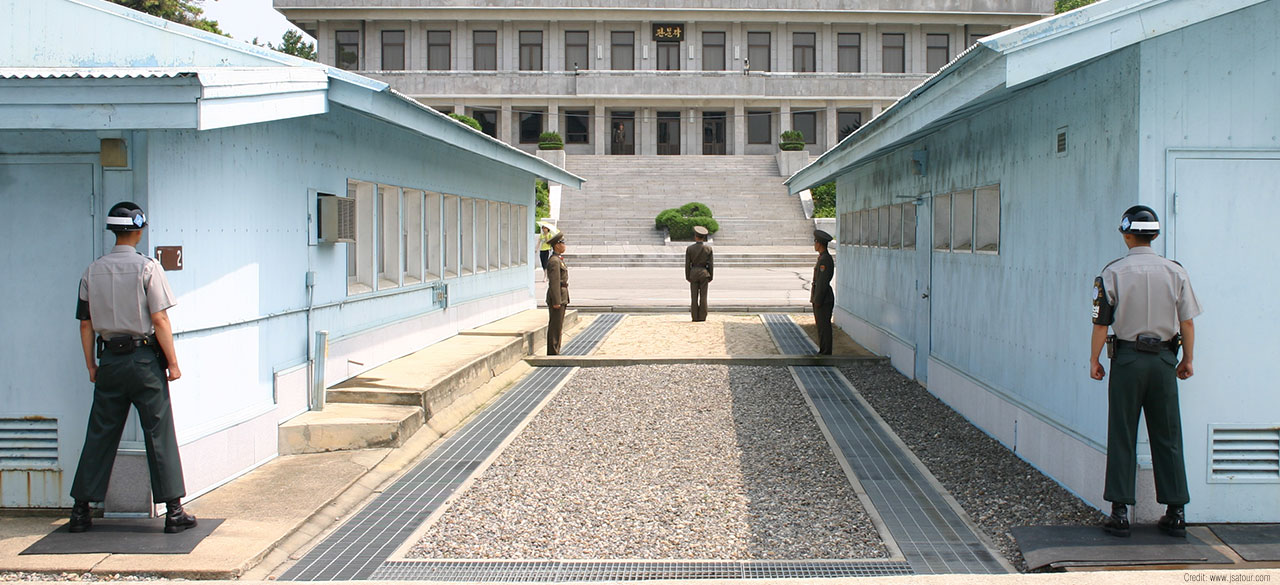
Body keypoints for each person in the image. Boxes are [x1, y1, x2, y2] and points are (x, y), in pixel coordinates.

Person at [70, 202, 196, 534]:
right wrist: (173, 363)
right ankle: (173, 512)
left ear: (113, 231)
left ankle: (81, 511)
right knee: (158, 431)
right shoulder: (148, 268)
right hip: (143, 360)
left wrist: (92, 365)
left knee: (100, 432)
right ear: (139, 230)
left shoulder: (91, 270)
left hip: (109, 359)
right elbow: (159, 319)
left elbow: (85, 325)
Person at [1089, 205, 1201, 538]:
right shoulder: (1175, 271)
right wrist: (1188, 360)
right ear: (1155, 235)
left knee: (1122, 431)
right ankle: (1176, 511)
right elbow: (1188, 322)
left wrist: (1094, 360)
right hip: (1165, 360)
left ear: (1126, 234)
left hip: (1126, 360)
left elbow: (1101, 323)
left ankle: (1120, 512)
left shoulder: (1113, 273)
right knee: (1168, 434)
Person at [811, 230, 835, 355]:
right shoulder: (822, 258)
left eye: (815, 242)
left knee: (824, 326)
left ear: (819, 243)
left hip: (824, 299)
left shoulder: (825, 260)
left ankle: (826, 352)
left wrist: (818, 300)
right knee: (821, 326)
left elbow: (822, 282)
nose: (814, 244)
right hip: (821, 298)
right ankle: (823, 350)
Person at [545, 232, 568, 355]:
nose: (564, 246)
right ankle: (553, 352)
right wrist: (556, 301)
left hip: (562, 295)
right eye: (562, 243)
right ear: (557, 245)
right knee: (555, 326)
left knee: (558, 326)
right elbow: (554, 282)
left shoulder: (558, 259)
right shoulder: (554, 261)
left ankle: (556, 349)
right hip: (557, 297)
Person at [685, 225, 714, 322]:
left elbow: (687, 264)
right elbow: (711, 264)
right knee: (703, 296)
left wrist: (687, 276)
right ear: (704, 237)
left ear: (695, 236)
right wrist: (710, 276)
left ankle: (694, 317)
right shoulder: (708, 249)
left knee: (694, 296)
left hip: (693, 273)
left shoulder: (690, 249)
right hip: (704, 273)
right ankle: (702, 317)